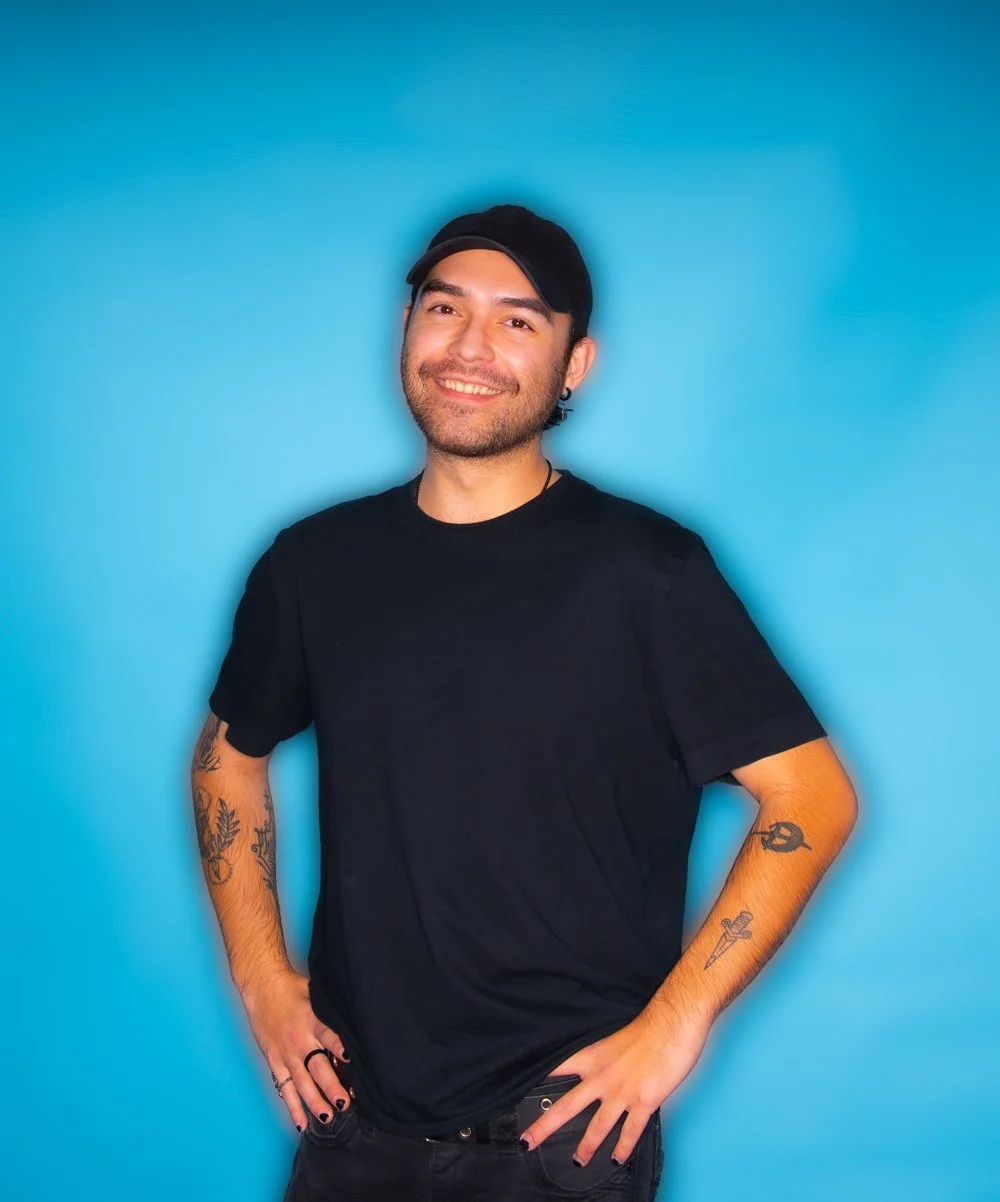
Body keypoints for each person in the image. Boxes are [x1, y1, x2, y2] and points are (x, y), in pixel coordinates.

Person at [190, 203, 858, 1201]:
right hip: (350, 1135)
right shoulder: (314, 563)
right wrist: (260, 977)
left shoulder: (647, 574)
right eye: (444, 308)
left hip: (554, 1148)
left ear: (574, 365)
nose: (469, 347)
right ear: (405, 328)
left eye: (518, 321)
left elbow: (812, 796)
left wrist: (675, 1025)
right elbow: (225, 754)